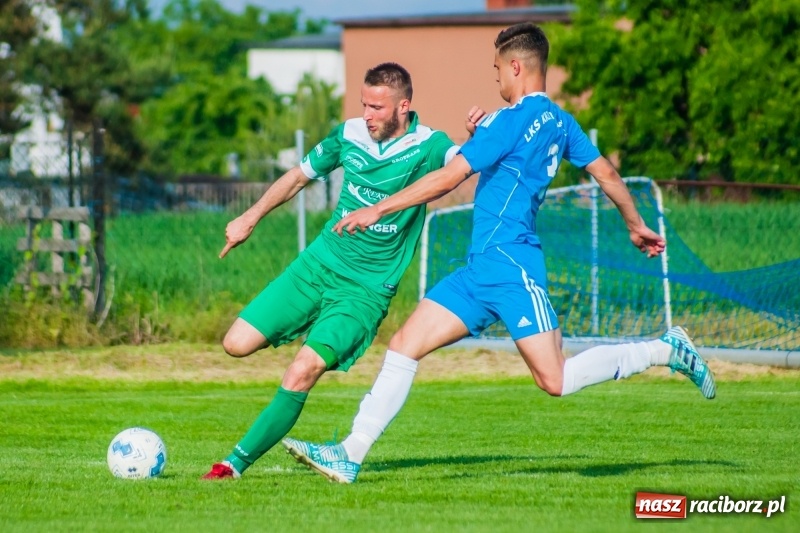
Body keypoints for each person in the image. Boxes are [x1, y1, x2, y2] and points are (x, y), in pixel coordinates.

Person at [282, 23, 717, 484]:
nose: (496, 80)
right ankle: (349, 454)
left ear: (515, 66)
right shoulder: (559, 121)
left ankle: (665, 349)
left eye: (497, 70)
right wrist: (635, 223)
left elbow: (450, 178)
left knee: (556, 380)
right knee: (405, 345)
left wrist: (378, 208)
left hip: (511, 266)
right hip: (479, 270)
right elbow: (607, 173)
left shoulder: (508, 122)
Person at [202, 62, 486, 479]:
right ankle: (303, 327)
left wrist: (477, 140)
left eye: (376, 107)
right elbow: (298, 177)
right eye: (364, 104)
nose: (367, 114)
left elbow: (461, 165)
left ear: (403, 106)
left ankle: (233, 464)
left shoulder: (429, 145)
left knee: (303, 369)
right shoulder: (348, 135)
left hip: (364, 292)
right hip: (317, 266)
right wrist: (250, 217)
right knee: (236, 343)